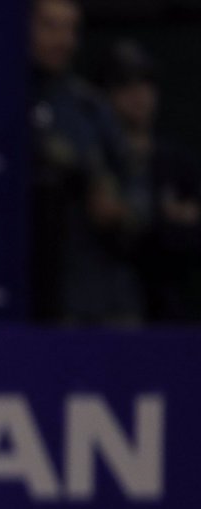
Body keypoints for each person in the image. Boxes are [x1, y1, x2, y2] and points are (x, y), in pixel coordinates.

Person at [28, 0, 143, 325]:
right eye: (50, 26)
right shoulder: (0, 98)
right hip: (25, 290)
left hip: (94, 290)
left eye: (70, 29)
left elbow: (135, 184)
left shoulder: (89, 107)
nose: (63, 40)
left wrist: (120, 210)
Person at [100, 40, 201, 322]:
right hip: (107, 306)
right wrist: (165, 218)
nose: (138, 95)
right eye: (125, 85)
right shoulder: (98, 160)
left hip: (168, 307)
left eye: (145, 84)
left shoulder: (177, 162)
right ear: (107, 94)